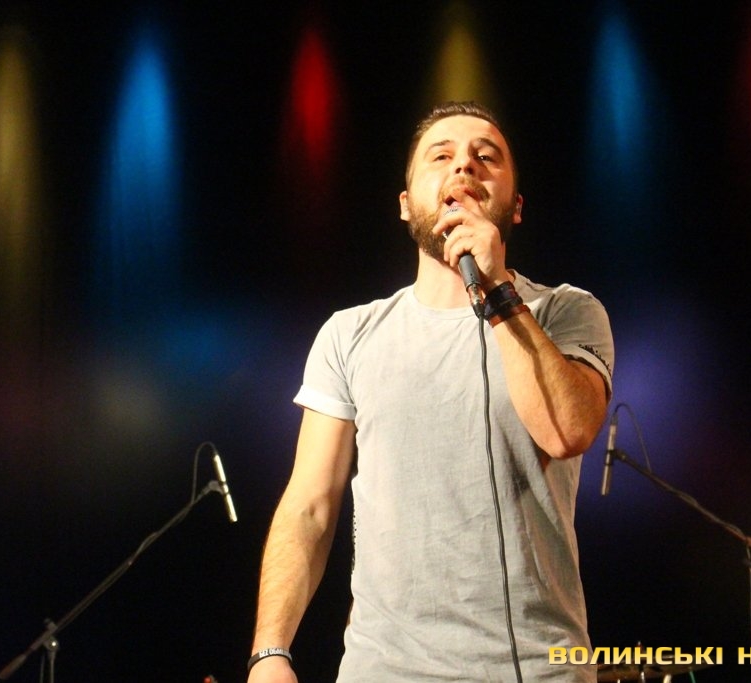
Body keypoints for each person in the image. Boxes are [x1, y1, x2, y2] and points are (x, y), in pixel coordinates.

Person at [247, 101, 614, 682]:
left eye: (486, 157)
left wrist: (496, 290)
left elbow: (567, 431)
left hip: (535, 669)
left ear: (516, 207)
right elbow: (310, 506)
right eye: (440, 157)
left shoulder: (566, 311)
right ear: (405, 203)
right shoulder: (350, 334)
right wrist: (270, 651)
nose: (463, 167)